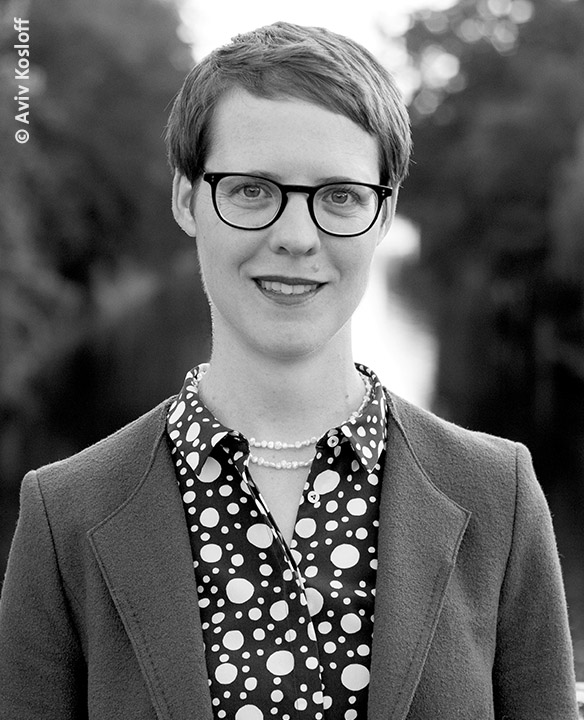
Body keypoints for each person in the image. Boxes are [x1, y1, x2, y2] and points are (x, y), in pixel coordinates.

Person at [0, 20, 578, 720]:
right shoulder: (64, 515)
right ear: (187, 199)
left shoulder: (499, 497)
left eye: (340, 195)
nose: (297, 237)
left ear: (384, 214)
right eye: (252, 190)